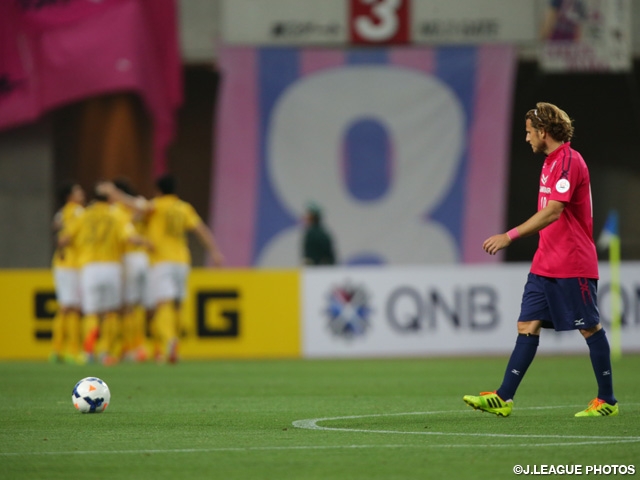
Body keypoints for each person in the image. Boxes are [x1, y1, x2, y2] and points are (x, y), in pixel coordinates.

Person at [463, 102, 618, 418]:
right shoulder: (550, 163)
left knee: (589, 327)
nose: (526, 138)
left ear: (543, 132)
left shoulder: (569, 162)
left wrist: (509, 236)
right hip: (545, 261)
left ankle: (608, 401)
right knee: (527, 324)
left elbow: (554, 210)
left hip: (572, 262)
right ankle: (504, 397)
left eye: (529, 132)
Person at [100, 174, 224, 363]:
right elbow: (201, 230)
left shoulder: (156, 206)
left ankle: (169, 340)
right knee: (177, 304)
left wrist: (113, 192)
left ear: (157, 191)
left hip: (161, 260)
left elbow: (132, 204)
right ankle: (174, 345)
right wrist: (214, 252)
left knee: (162, 304)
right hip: (182, 260)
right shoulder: (184, 208)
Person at [59, 184, 148, 365]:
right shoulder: (116, 215)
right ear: (108, 199)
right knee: (110, 312)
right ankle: (106, 352)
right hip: (111, 267)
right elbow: (130, 237)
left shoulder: (83, 215)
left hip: (89, 268)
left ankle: (89, 351)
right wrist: (147, 243)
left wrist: (64, 250)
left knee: (91, 312)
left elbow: (65, 238)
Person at [50, 182, 85, 363]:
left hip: (63, 264)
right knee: (71, 308)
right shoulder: (77, 212)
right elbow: (64, 238)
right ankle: (72, 350)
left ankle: (57, 350)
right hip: (71, 264)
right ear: (70, 195)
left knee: (66, 306)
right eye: (78, 191)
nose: (82, 194)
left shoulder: (61, 212)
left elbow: (57, 228)